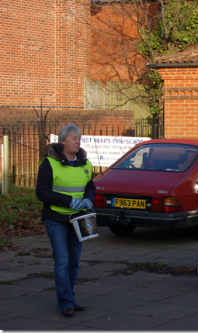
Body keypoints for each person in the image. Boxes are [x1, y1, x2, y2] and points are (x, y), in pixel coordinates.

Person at [36, 124, 95, 317]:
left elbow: (90, 187)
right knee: (62, 261)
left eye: (79, 138)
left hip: (78, 219)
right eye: (74, 138)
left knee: (75, 263)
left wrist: (88, 199)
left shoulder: (85, 163)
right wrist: (70, 201)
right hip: (56, 218)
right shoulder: (49, 164)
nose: (78, 141)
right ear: (62, 141)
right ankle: (66, 303)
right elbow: (42, 192)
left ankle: (69, 297)